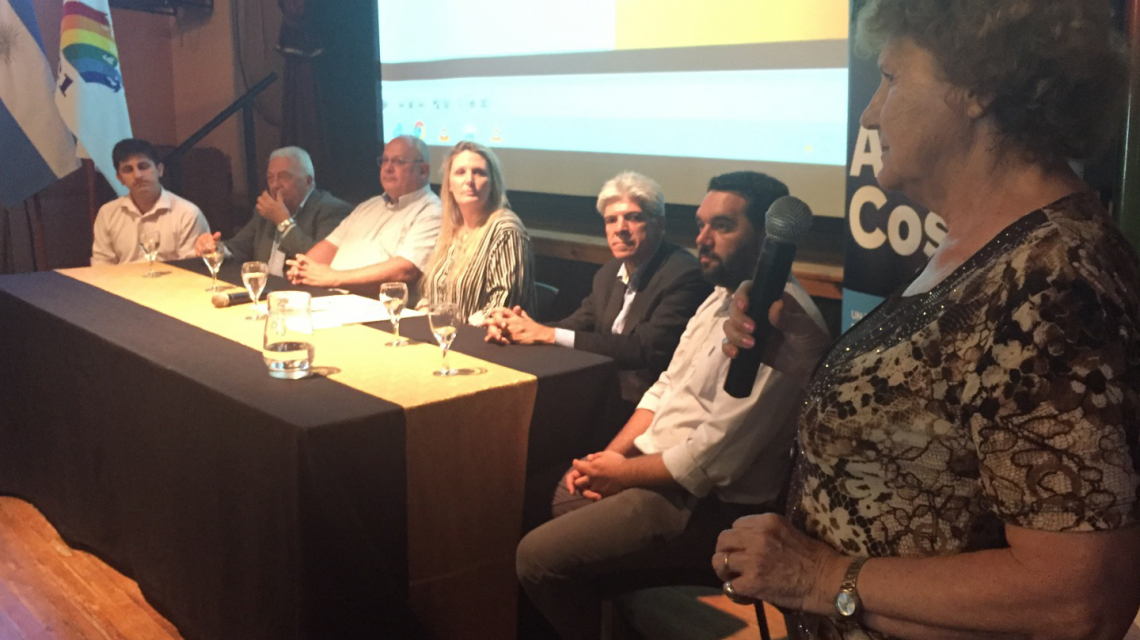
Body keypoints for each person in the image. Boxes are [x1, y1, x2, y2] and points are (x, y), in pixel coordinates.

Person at [714, 2, 1140, 639]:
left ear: (977, 85)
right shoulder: (981, 247)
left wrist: (819, 578)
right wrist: (806, 357)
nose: (869, 113)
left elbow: (1080, 597)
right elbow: (937, 426)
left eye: (890, 78)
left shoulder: (1055, 282)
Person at [515, 171, 830, 640]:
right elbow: (662, 389)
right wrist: (612, 457)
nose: (702, 238)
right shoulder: (720, 297)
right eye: (701, 225)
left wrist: (621, 474)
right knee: (519, 499)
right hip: (653, 470)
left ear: (768, 239)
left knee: (536, 558)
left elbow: (709, 460)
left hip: (704, 506)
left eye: (722, 226)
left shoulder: (784, 323)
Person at [486, 171, 711, 412]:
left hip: (651, 406)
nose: (620, 228)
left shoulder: (683, 274)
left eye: (633, 217)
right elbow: (575, 325)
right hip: (604, 393)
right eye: (611, 220)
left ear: (660, 224)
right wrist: (520, 327)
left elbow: (644, 348)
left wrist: (545, 334)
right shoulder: (608, 273)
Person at [286, 135, 441, 296]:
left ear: (423, 171)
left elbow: (405, 270)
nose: (388, 168)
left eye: (398, 162)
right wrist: (303, 268)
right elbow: (331, 245)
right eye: (385, 160)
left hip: (377, 306)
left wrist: (334, 278)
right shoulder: (369, 206)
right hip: (330, 297)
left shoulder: (432, 211)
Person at [417, 141, 536, 324]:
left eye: (479, 172)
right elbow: (430, 294)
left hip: (484, 339)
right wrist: (423, 311)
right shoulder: (450, 231)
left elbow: (502, 309)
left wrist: (454, 329)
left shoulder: (506, 231)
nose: (469, 180)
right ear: (449, 184)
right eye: (460, 172)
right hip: (443, 334)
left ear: (492, 183)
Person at [192, 146, 351, 277]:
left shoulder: (332, 210)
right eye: (270, 178)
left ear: (308, 181)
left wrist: (283, 222)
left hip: (303, 293)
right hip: (264, 289)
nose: (275, 185)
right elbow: (239, 247)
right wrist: (214, 248)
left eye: (284, 177)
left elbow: (319, 263)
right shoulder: (267, 210)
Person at [91, 138, 210, 265]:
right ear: (120, 178)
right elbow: (102, 265)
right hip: (121, 278)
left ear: (159, 170)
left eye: (143, 166)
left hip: (173, 278)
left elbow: (192, 267)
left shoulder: (187, 213)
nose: (137, 175)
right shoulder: (107, 213)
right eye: (128, 169)